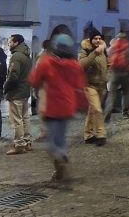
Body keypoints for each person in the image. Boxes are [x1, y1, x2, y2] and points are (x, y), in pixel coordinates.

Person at [29, 33, 87, 181]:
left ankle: (60, 156)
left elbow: (34, 80)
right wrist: (82, 105)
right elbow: (80, 86)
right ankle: (62, 156)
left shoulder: (46, 62)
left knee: (52, 139)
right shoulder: (75, 65)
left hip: (52, 105)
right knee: (61, 135)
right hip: (68, 105)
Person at [4, 34, 33, 155]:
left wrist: (5, 86)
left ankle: (19, 145)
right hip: (25, 90)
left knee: (17, 120)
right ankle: (27, 142)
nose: (8, 44)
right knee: (25, 118)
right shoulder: (26, 55)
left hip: (16, 92)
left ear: (16, 43)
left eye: (10, 42)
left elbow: (13, 76)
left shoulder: (16, 56)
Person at [79, 29, 108, 146]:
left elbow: (107, 65)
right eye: (95, 38)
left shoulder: (104, 51)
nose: (98, 40)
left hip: (101, 85)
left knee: (92, 110)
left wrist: (107, 78)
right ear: (90, 40)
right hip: (89, 85)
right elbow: (81, 65)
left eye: (100, 38)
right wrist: (95, 52)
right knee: (97, 109)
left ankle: (88, 135)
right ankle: (101, 134)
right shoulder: (85, 51)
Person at [104, 32, 129, 122]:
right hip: (125, 74)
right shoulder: (127, 48)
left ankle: (107, 113)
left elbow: (107, 59)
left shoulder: (112, 48)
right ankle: (125, 113)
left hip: (114, 74)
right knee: (125, 93)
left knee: (112, 94)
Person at [32, 39, 51, 142]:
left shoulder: (42, 57)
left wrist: (35, 88)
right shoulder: (57, 57)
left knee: (43, 110)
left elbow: (38, 74)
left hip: (45, 87)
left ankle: (45, 132)